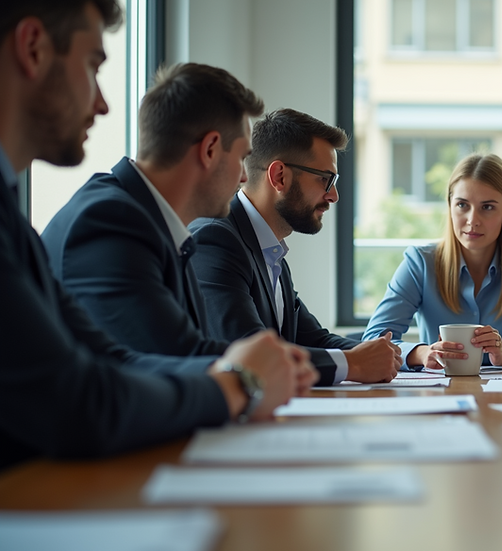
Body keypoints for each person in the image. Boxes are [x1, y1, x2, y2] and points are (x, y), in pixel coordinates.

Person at [0, 0, 312, 471]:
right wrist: (238, 383)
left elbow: (113, 359)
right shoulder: (108, 219)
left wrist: (245, 373)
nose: (103, 104)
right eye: (93, 64)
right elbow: (79, 398)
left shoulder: (18, 215)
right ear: (32, 48)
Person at [39, 62, 258, 359]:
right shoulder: (110, 221)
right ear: (210, 149)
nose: (244, 177)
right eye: (243, 158)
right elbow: (177, 357)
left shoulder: (152, 224)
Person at [189, 108, 401, 385]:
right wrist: (354, 363)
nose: (334, 195)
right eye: (325, 179)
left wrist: (390, 355)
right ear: (279, 176)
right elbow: (250, 355)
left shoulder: (271, 251)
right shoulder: (216, 240)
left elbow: (314, 339)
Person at [363, 153, 502, 369]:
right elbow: (374, 339)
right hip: (440, 386)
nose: (472, 220)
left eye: (487, 207)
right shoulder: (420, 263)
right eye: (462, 205)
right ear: (450, 206)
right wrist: (423, 353)